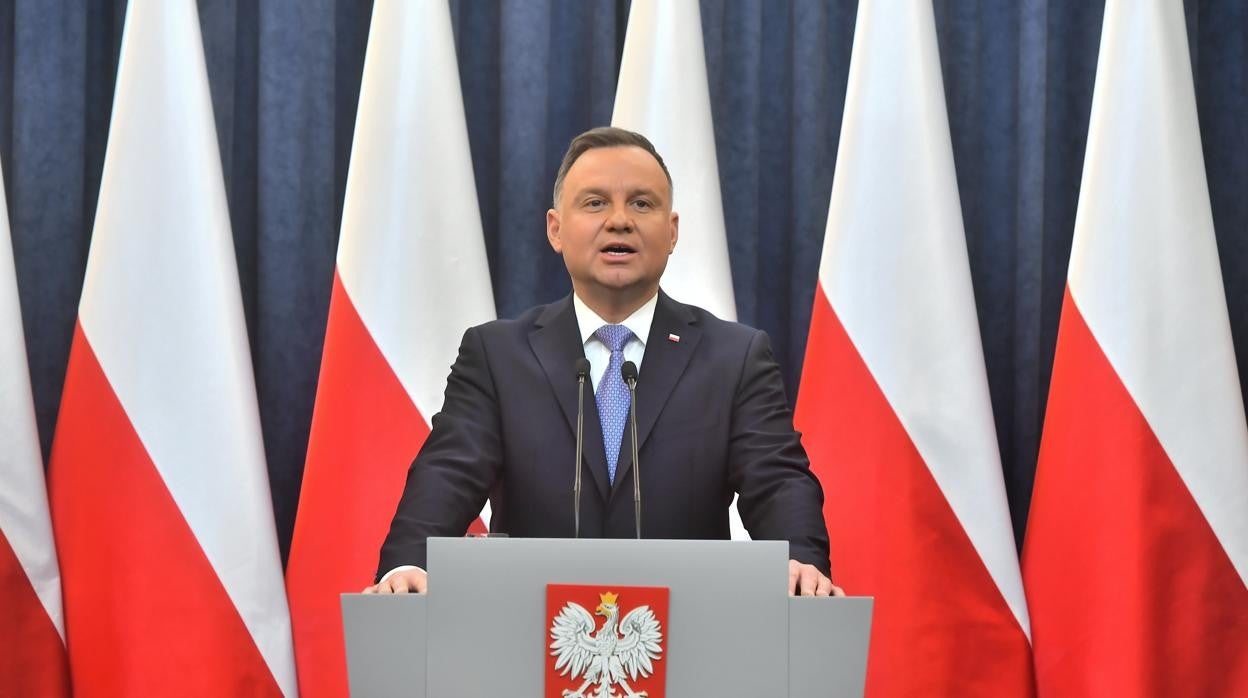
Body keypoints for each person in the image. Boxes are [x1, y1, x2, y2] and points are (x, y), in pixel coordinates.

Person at [366, 127, 841, 597]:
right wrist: (409, 563)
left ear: (672, 232)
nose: (619, 221)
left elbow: (777, 479)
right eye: (595, 203)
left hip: (688, 640)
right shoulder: (497, 356)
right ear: (556, 229)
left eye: (642, 204)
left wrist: (799, 559)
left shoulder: (733, 357)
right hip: (530, 640)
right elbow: (448, 472)